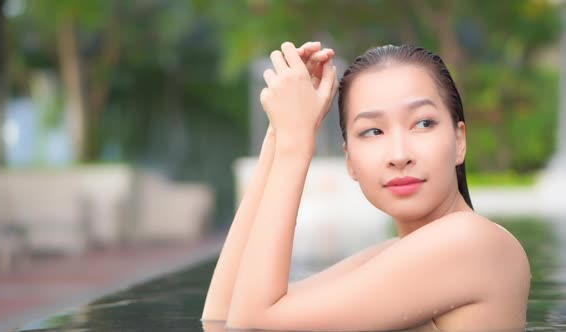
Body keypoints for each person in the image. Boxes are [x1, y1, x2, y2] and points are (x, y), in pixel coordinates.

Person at [201, 41, 531, 331]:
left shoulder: (471, 242)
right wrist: (280, 131)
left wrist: (297, 143)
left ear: (459, 140)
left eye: (422, 123)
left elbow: (250, 325)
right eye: (373, 131)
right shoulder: (396, 253)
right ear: (350, 162)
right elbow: (222, 317)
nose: (399, 155)